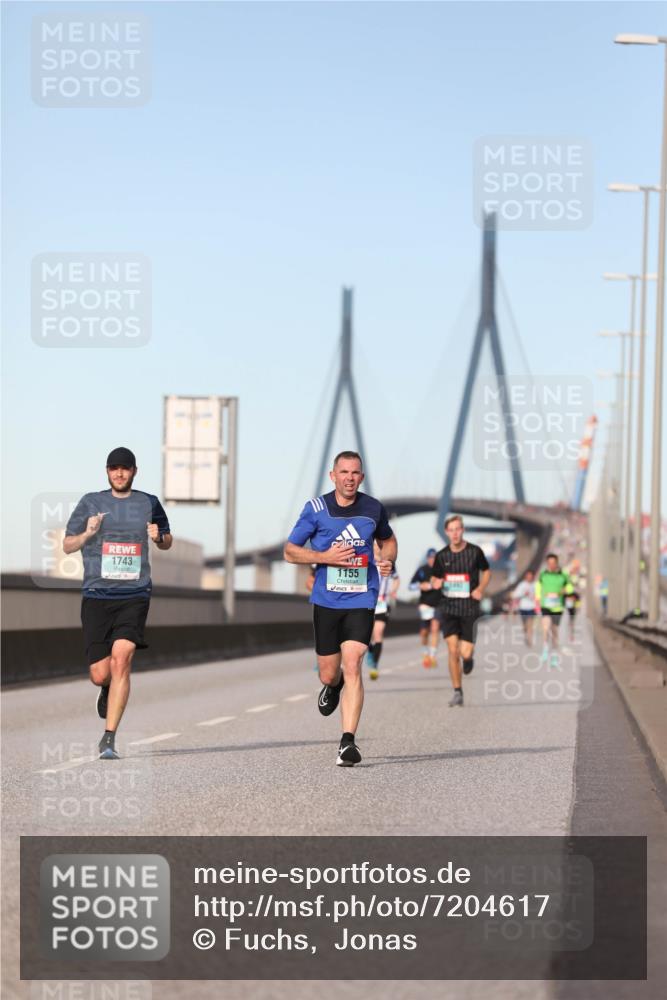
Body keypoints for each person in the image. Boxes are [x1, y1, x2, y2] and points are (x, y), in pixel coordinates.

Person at [284, 451, 397, 766]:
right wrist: (325, 557)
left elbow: (388, 541)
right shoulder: (315, 509)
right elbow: (290, 551)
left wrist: (388, 559)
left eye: (355, 472)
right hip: (326, 601)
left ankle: (348, 742)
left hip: (362, 598)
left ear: (362, 477)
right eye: (344, 472)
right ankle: (332, 687)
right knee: (329, 673)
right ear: (333, 476)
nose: (349, 478)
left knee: (353, 664)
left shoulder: (373, 508)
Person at [63, 447, 172, 760]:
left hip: (134, 595)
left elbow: (167, 540)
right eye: (114, 468)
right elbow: (67, 545)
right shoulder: (91, 502)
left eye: (125, 468)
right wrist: (88, 533)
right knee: (100, 674)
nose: (120, 473)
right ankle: (106, 688)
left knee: (122, 657)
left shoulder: (149, 502)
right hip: (97, 596)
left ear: (134, 471)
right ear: (107, 472)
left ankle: (108, 738)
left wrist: (158, 537)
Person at [430, 515, 490, 707]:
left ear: (462, 530)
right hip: (448, 607)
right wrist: (436, 582)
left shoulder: (475, 551)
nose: (455, 533)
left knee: (465, 652)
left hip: (469, 608)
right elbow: (434, 578)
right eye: (451, 530)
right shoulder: (441, 556)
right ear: (446, 532)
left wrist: (481, 588)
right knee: (452, 650)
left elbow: (486, 571)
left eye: (458, 529)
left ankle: (469, 658)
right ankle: (457, 691)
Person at [367, 543, 400, 680]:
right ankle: (370, 650)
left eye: (380, 545)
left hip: (382, 602)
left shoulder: (388, 562)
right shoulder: (367, 559)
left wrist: (393, 591)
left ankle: (374, 665)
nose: (378, 547)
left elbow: (396, 579)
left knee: (378, 632)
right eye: (375, 545)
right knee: (366, 633)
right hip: (368, 601)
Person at [535, 553, 572, 667]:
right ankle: (545, 649)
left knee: (554, 631)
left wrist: (563, 591)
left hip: (557, 607)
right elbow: (538, 586)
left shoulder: (563, 575)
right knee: (546, 628)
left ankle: (554, 656)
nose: (551, 565)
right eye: (549, 563)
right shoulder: (543, 574)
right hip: (545, 605)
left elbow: (570, 587)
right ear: (547, 563)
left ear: (556, 563)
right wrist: (538, 598)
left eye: (553, 563)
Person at [409, 548, 441, 668]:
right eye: (430, 557)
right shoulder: (422, 570)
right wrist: (420, 585)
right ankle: (425, 651)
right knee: (424, 632)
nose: (432, 560)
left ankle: (432, 656)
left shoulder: (442, 570)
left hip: (439, 604)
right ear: (427, 558)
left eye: (434, 558)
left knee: (435, 628)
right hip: (425, 604)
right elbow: (410, 586)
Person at [512, 570, 538, 646]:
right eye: (528, 576)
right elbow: (515, 595)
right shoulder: (522, 585)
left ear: (533, 577)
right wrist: (523, 593)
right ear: (525, 577)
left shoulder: (535, 585)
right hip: (523, 607)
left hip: (532, 607)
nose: (529, 577)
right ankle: (526, 634)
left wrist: (535, 597)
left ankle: (529, 639)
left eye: (531, 576)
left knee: (530, 624)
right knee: (525, 625)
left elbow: (539, 594)